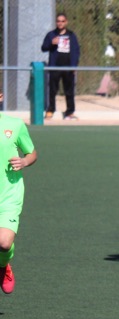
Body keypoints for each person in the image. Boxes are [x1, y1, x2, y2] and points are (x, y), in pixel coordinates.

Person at [0, 91, 38, 295]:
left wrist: (24, 161)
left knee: (4, 243)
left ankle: (4, 265)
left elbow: (32, 153)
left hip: (8, 195)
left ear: (0, 96)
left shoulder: (14, 125)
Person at [41, 13, 81, 120]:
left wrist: (74, 66)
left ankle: (69, 112)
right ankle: (50, 110)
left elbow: (76, 52)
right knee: (52, 90)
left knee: (69, 90)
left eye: (62, 21)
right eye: (58, 21)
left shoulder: (71, 35)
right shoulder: (51, 35)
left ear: (66, 22)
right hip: (54, 67)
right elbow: (43, 48)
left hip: (68, 68)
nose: (60, 23)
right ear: (56, 22)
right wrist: (51, 43)